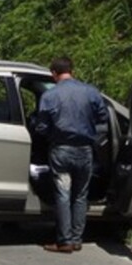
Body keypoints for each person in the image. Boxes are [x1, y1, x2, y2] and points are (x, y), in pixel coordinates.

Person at [31, 56, 109, 252]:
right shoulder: (90, 92)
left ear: (54, 74)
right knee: (81, 195)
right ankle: (76, 239)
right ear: (71, 71)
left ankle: (64, 241)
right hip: (85, 151)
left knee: (63, 194)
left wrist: (50, 135)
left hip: (61, 152)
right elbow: (103, 118)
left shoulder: (50, 96)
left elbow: (41, 126)